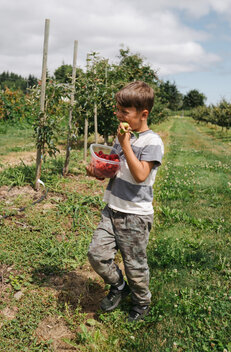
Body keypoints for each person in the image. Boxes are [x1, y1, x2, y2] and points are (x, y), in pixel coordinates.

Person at [86, 81, 164, 322]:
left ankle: (142, 302)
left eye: (124, 112)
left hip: (135, 216)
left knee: (135, 266)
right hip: (112, 209)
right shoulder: (122, 137)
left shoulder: (153, 142)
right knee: (96, 254)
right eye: (118, 110)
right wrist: (99, 171)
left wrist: (126, 143)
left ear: (143, 114)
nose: (119, 115)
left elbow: (141, 175)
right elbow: (115, 169)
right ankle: (119, 285)